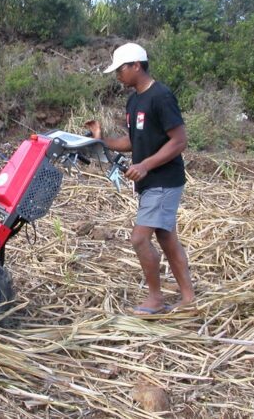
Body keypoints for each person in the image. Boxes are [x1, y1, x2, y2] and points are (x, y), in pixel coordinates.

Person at [85, 43, 194, 314]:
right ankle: (189, 299)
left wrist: (145, 165)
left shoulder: (161, 96)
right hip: (149, 182)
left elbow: (179, 141)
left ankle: (155, 299)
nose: (118, 75)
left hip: (164, 180)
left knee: (139, 238)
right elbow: (133, 141)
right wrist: (103, 141)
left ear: (136, 65)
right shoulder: (134, 101)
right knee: (167, 239)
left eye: (120, 69)